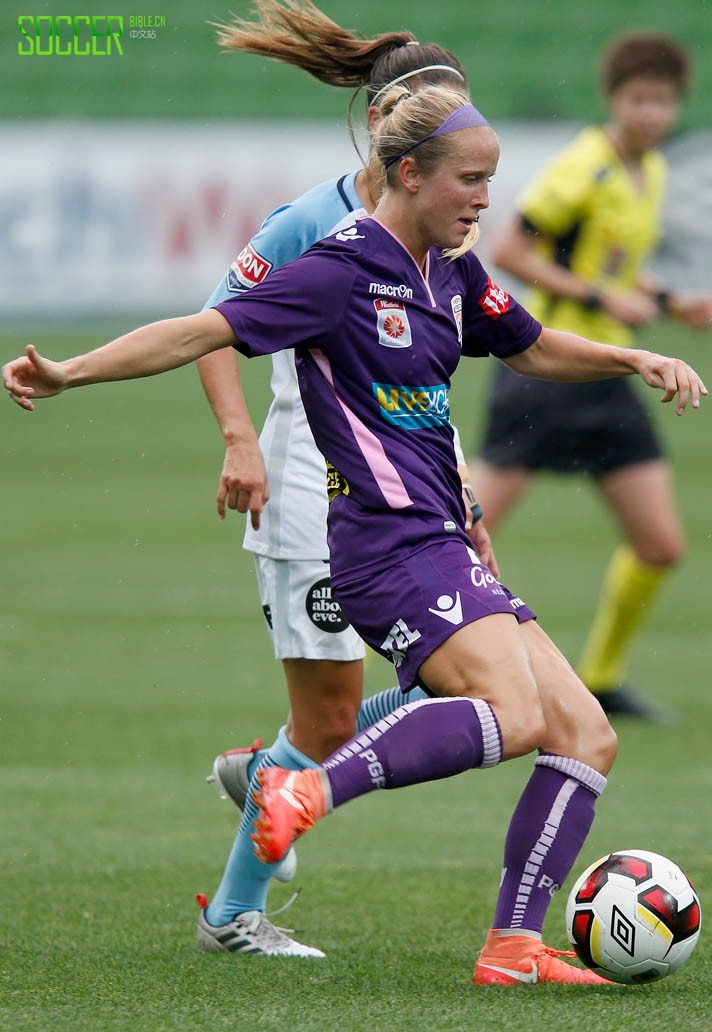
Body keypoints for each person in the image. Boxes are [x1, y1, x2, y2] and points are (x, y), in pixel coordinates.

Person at [4, 85, 706, 986]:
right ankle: (300, 786)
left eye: (490, 180)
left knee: (585, 736)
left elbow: (527, 344)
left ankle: (513, 948)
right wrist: (69, 372)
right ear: (408, 174)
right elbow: (199, 331)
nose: (485, 200)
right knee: (516, 713)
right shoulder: (339, 268)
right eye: (470, 181)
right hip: (386, 551)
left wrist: (632, 355)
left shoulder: (450, 268)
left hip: (444, 540)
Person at [195, 0, 489, 956]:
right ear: (387, 126)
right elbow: (211, 329)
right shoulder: (310, 222)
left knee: (473, 679)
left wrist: (467, 501)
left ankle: (263, 765)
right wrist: (239, 438)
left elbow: (428, 384)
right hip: (307, 492)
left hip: (412, 498)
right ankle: (234, 916)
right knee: (329, 723)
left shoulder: (444, 237)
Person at [470, 32, 712, 722]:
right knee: (461, 542)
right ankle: (391, 667)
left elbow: (613, 266)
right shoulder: (585, 165)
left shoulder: (652, 172)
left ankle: (600, 678)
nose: (651, 114)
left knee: (660, 545)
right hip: (545, 372)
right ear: (613, 100)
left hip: (608, 379)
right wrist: (601, 299)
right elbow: (512, 248)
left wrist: (666, 302)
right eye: (639, 99)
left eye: (663, 102)